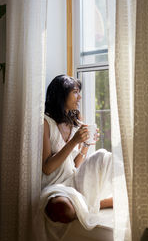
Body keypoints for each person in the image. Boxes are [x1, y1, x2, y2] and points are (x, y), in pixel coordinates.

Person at [38, 75, 113, 240]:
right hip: (54, 186)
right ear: (61, 94)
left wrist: (85, 145)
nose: (79, 97)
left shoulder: (75, 121)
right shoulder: (45, 123)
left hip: (74, 179)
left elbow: (74, 164)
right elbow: (47, 168)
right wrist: (74, 141)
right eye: (75, 92)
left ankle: (94, 199)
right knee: (63, 209)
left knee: (102, 156)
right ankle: (99, 202)